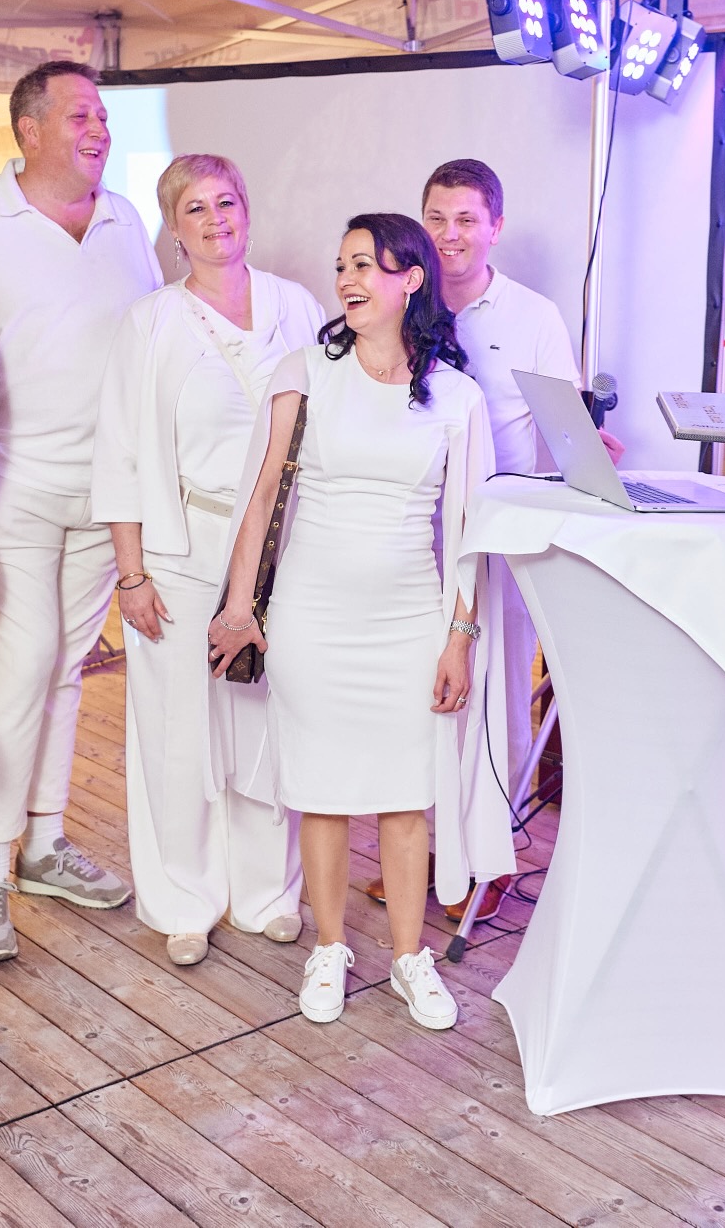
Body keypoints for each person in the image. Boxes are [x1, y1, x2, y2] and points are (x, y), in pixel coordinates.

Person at [208, 213, 509, 1031]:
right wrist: (239, 605)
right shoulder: (306, 370)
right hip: (311, 618)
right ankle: (330, 947)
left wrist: (459, 637)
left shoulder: (457, 396)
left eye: (365, 265)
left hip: (409, 620)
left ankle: (410, 958)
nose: (347, 280)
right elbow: (261, 496)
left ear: (411, 280)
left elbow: (470, 530)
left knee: (407, 799)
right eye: (341, 265)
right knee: (324, 792)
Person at [0, 61, 160, 961]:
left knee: (65, 669)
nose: (99, 130)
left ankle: (44, 844)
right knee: (17, 670)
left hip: (109, 495)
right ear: (28, 129)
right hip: (7, 484)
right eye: (80, 116)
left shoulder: (126, 220)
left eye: (103, 117)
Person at [91, 154, 317, 966]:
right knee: (177, 730)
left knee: (266, 721)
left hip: (283, 552)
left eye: (227, 201)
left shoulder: (296, 306)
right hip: (180, 547)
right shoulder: (150, 323)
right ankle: (183, 899)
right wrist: (131, 574)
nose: (216, 218)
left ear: (247, 210)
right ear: (173, 228)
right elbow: (118, 452)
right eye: (196, 208)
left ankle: (267, 894)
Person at [397, 157, 618, 925]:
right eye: (436, 217)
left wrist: (592, 455)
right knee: (420, 694)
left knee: (494, 703)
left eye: (466, 219)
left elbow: (565, 422)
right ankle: (433, 855)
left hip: (499, 531)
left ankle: (492, 861)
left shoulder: (533, 315)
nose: (449, 234)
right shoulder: (406, 300)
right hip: (413, 531)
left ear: (495, 227)